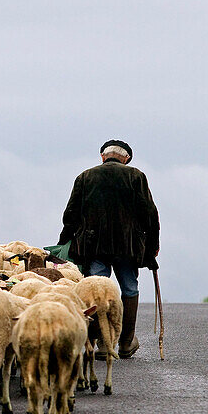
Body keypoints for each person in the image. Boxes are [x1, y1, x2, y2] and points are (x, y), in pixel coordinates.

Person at [58, 139, 160, 358]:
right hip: (128, 246)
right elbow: (150, 215)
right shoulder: (136, 176)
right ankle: (125, 342)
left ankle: (103, 344)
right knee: (129, 289)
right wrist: (152, 249)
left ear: (103, 157)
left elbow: (71, 214)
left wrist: (63, 242)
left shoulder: (85, 177)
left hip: (94, 246)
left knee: (96, 291)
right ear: (126, 159)